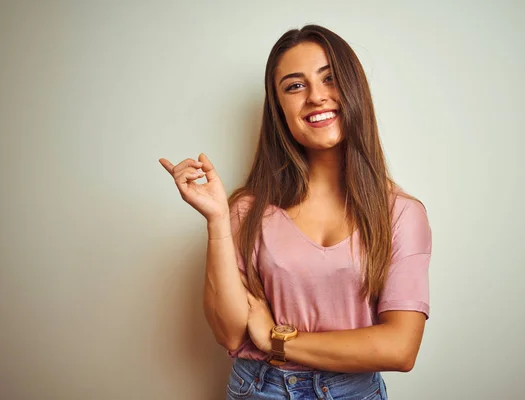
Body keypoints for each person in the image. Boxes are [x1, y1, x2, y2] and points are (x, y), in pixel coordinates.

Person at [159, 24, 432, 400]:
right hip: (258, 389)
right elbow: (230, 333)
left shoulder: (401, 214)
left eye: (329, 79)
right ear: (279, 108)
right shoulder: (246, 211)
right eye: (295, 86)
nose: (316, 97)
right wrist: (218, 221)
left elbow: (400, 349)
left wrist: (278, 341)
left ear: (353, 89)